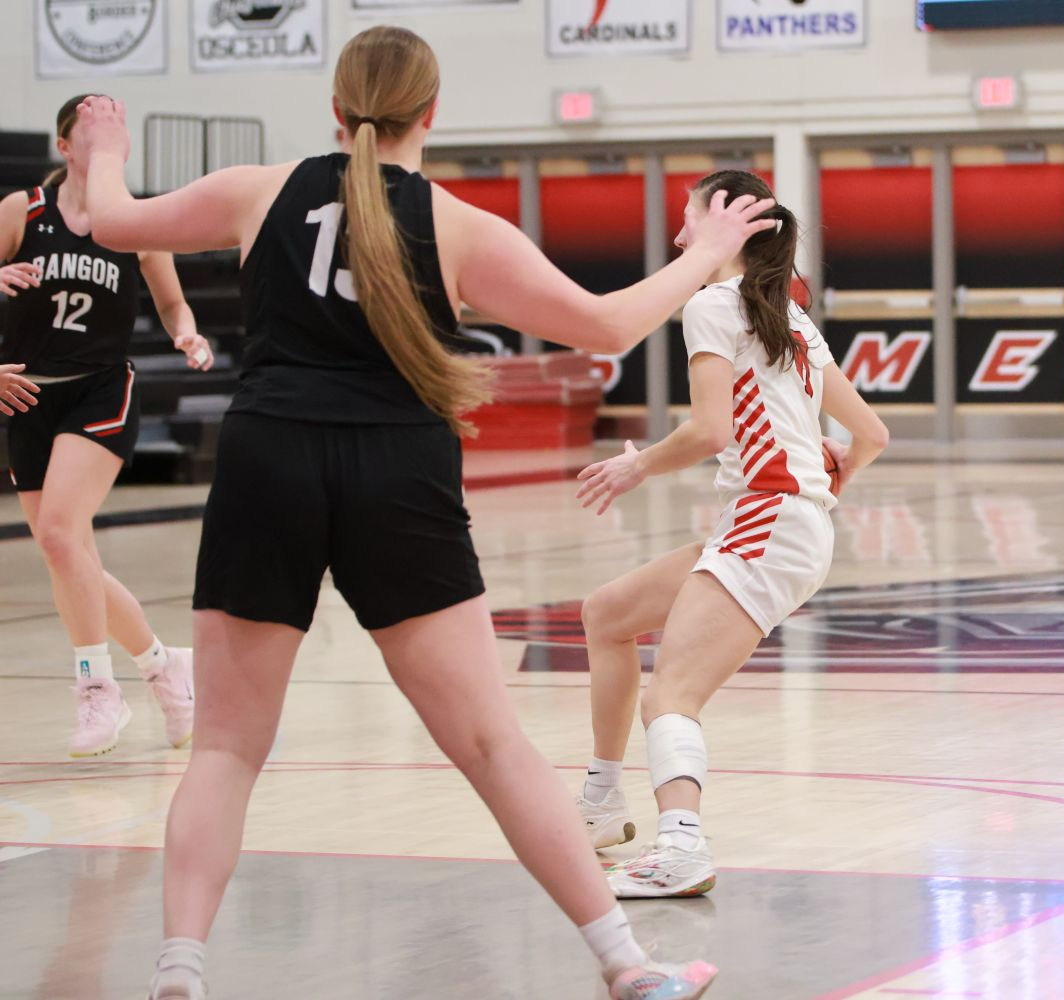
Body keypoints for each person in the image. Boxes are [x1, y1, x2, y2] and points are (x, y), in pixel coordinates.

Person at [71, 25, 773, 1000]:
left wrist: (103, 145)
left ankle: (179, 974)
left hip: (270, 456)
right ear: (432, 113)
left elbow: (109, 222)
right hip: (397, 470)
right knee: (491, 744)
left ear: (335, 107)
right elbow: (609, 323)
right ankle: (628, 967)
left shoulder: (258, 190)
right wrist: (715, 252)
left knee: (226, 749)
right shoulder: (458, 226)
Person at [572, 170, 889, 898]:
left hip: (769, 519)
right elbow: (871, 434)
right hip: (781, 521)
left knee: (671, 695)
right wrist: (834, 471)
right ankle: (599, 803)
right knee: (607, 613)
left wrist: (636, 466)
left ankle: (681, 848)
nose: (679, 234)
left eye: (687, 218)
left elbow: (710, 430)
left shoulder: (712, 303)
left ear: (722, 225)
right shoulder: (789, 316)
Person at [0, 95, 210, 758]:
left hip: (100, 390)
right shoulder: (21, 210)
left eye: (115, 128)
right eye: (93, 128)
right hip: (27, 395)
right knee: (70, 555)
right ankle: (164, 667)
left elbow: (173, 304)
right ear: (66, 145)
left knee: (61, 535)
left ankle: (97, 688)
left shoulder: (134, 221)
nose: (107, 137)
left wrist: (187, 334)